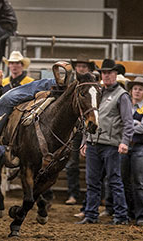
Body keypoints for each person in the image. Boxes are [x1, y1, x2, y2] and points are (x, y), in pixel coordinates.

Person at [77, 59, 133, 225]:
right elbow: (90, 119)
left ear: (116, 74)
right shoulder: (97, 92)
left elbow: (128, 122)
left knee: (114, 181)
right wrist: (85, 140)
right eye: (104, 73)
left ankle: (121, 216)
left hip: (111, 144)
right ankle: (91, 214)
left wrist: (125, 141)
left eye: (109, 73)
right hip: (94, 143)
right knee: (92, 181)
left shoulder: (122, 95)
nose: (106, 75)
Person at [0, 51, 34, 208]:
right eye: (11, 63)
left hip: (23, 118)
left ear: (22, 65)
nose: (14, 66)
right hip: (4, 119)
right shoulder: (3, 82)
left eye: (17, 63)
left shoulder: (29, 82)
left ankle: (37, 196)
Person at [121, 77, 143, 226]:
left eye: (140, 89)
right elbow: (134, 126)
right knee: (123, 181)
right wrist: (134, 123)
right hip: (126, 145)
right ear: (131, 91)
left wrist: (128, 125)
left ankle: (142, 216)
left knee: (140, 182)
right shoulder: (126, 107)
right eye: (135, 89)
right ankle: (125, 214)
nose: (137, 91)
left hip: (140, 147)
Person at [65, 54, 96, 206]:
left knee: (93, 164)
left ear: (89, 69)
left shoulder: (92, 85)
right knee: (71, 163)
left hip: (87, 126)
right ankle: (73, 194)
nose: (81, 68)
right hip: (73, 128)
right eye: (79, 66)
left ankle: (90, 197)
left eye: (84, 66)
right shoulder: (71, 84)